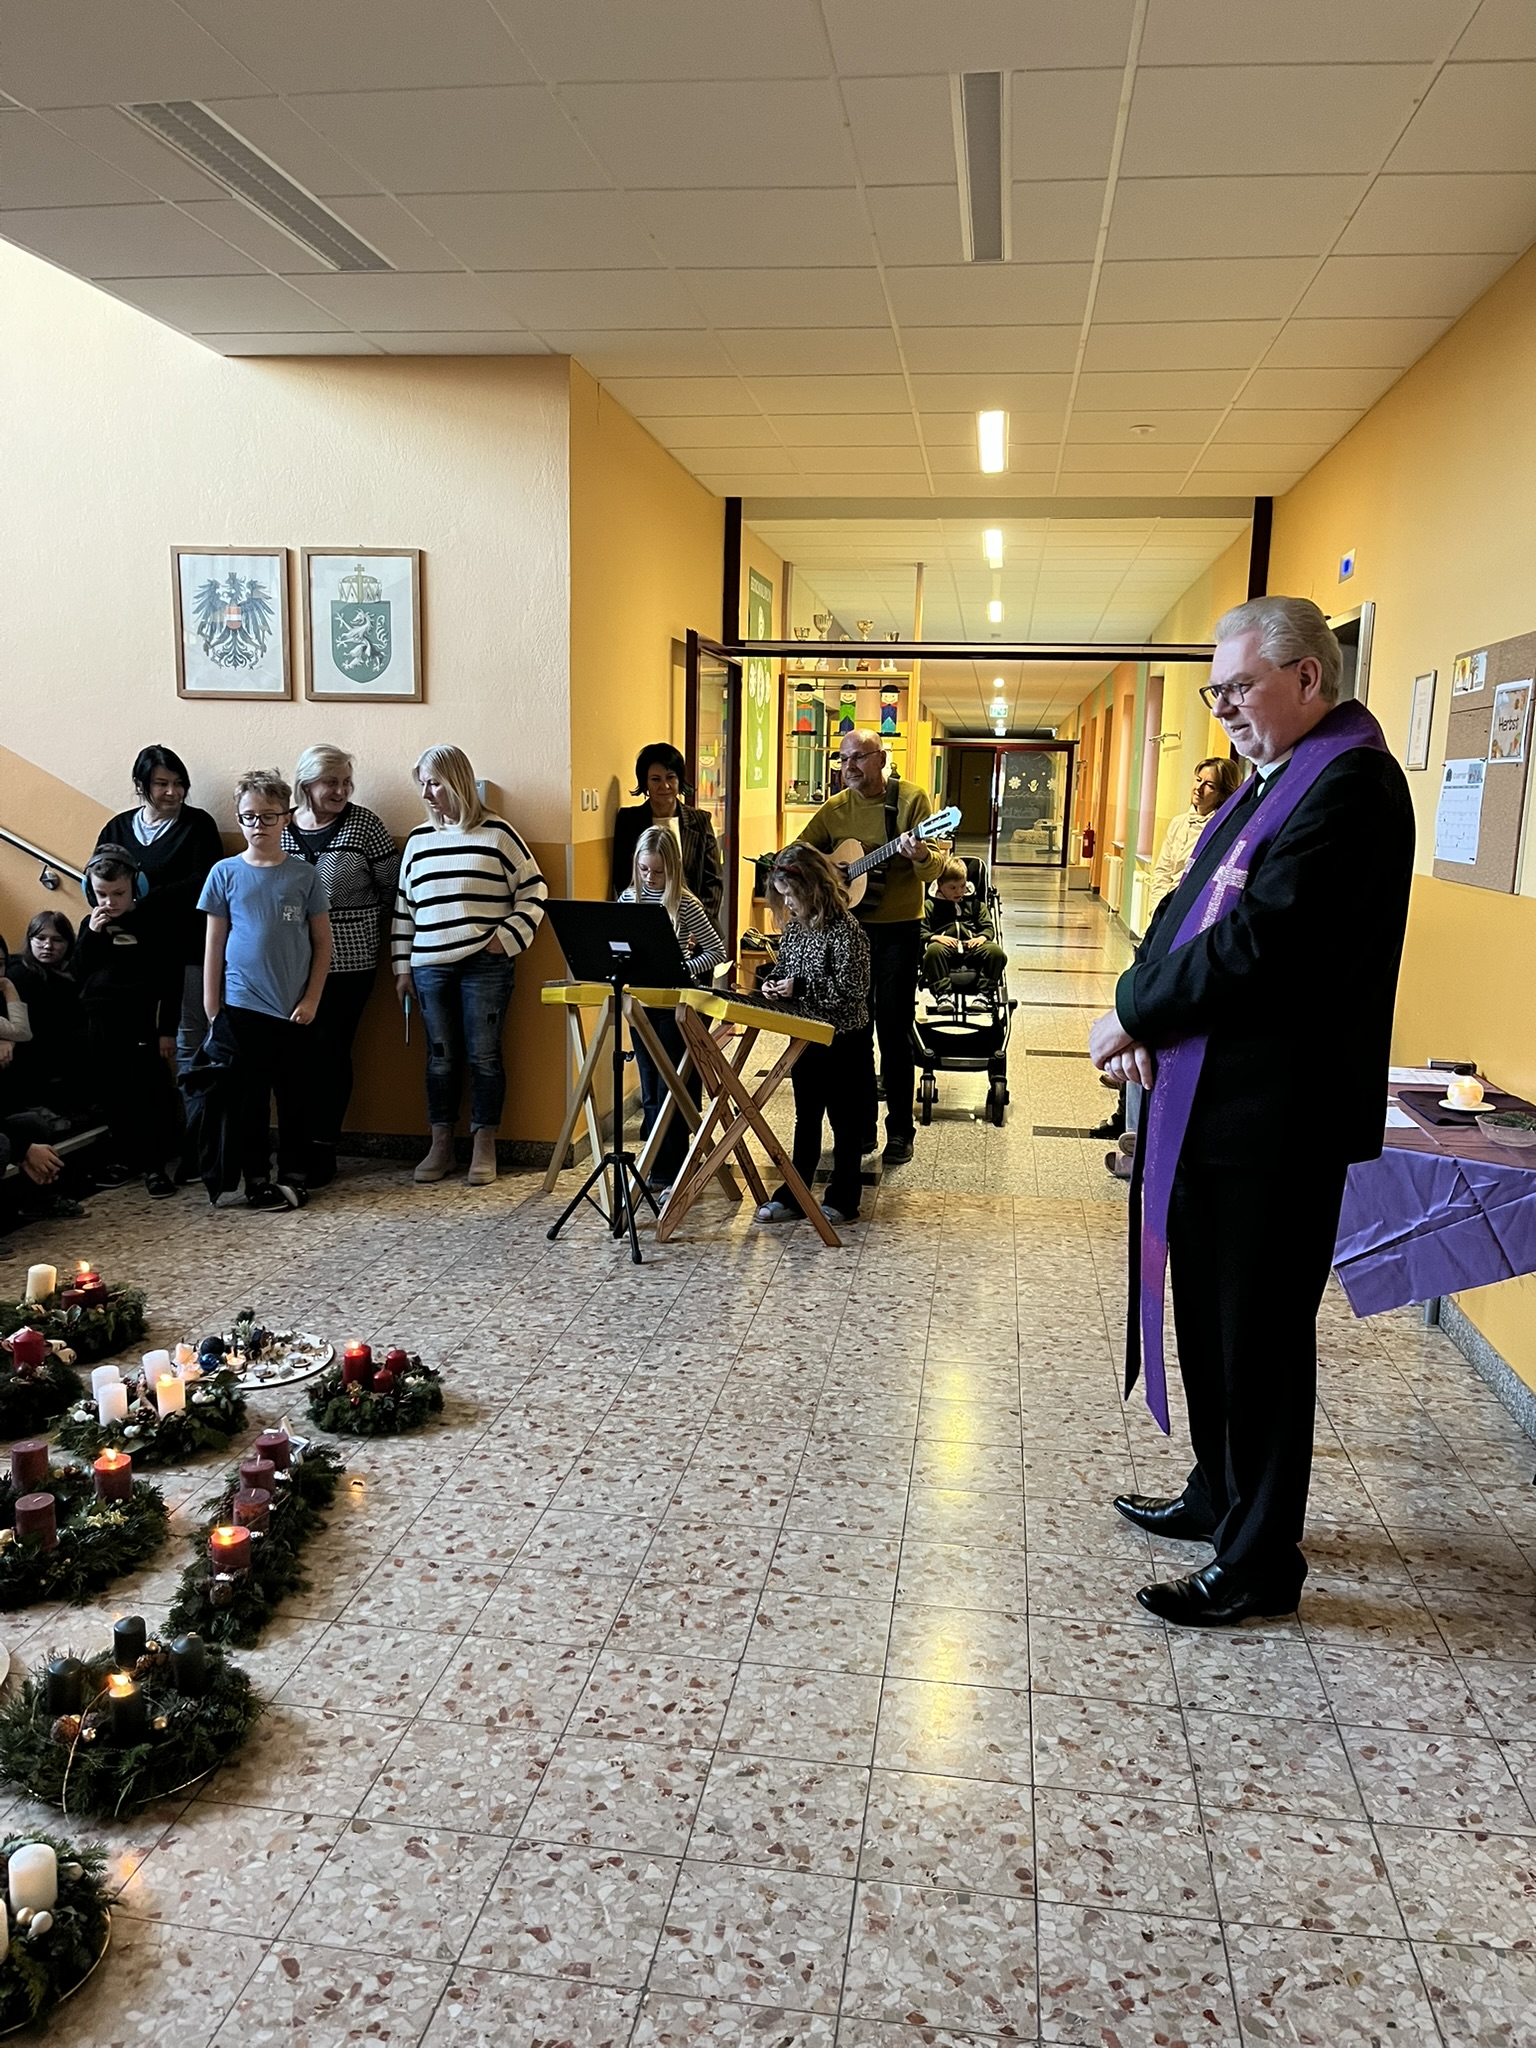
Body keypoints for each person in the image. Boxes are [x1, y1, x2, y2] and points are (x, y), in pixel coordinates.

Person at [1089, 596, 1415, 1628]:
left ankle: (1262, 1558)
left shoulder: (1351, 786)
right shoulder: (1275, 780)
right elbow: (1183, 911)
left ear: (1308, 677)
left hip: (1277, 1125)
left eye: (1240, 686)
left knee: (1260, 1341)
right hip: (1212, 1111)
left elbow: (1262, 946)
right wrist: (1140, 1004)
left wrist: (1131, 1011)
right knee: (1210, 1325)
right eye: (1214, 691)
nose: (1224, 707)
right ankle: (1220, 1492)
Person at [392, 745, 547, 1187]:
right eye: (423, 784)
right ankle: (441, 1144)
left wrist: (506, 939)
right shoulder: (419, 840)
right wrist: (401, 968)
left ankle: (484, 1144)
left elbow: (535, 890)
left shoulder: (498, 833)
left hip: (485, 964)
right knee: (440, 1057)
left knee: (484, 1055)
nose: (427, 793)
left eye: (435, 783)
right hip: (429, 966)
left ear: (458, 782)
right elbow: (404, 909)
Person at [794, 729, 938, 1164]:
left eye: (858, 757)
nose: (849, 767)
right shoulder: (835, 808)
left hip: (898, 930)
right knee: (853, 1033)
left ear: (881, 758)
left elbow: (933, 869)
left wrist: (918, 855)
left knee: (893, 1030)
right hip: (848, 932)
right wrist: (830, 872)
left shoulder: (911, 801)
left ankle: (900, 1131)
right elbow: (797, 853)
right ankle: (861, 1129)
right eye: (843, 759)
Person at [200, 771, 332, 1211]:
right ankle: (255, 1176)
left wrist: (311, 999)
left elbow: (322, 943)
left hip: (293, 1009)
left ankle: (294, 1174)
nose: (259, 825)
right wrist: (212, 1005)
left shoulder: (304, 875)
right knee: (249, 1101)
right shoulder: (224, 873)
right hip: (241, 1008)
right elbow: (214, 943)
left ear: (286, 817)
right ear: (239, 818)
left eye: (269, 816)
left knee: (295, 1096)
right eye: (250, 816)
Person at [282, 745, 399, 1188]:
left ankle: (323, 1148)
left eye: (346, 782)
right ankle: (294, 1149)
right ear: (307, 784)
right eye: (331, 782)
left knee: (329, 1050)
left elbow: (393, 889)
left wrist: (361, 926)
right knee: (294, 1057)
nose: (341, 790)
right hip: (291, 963)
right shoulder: (283, 826)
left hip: (350, 960)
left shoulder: (365, 825)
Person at [755, 843, 874, 1227]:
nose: (788, 904)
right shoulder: (795, 930)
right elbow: (786, 969)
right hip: (804, 1037)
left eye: (792, 895)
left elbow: (853, 990)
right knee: (806, 1119)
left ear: (813, 889)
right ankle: (794, 1194)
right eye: (783, 897)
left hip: (844, 1041)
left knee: (845, 1123)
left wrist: (801, 988)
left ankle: (844, 1198)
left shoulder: (847, 931)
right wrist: (774, 983)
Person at [96, 746, 225, 1079]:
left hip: (186, 949)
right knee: (133, 1034)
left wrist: (142, 900)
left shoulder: (198, 825)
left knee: (188, 1033)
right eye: (162, 783)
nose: (173, 792)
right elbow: (98, 878)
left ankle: (192, 1105)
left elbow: (202, 882)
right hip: (131, 951)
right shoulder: (117, 828)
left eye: (179, 783)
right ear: (141, 785)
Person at [618, 824, 726, 1194]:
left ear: (673, 868)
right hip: (642, 1004)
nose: (651, 877)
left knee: (673, 1086)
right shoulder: (628, 899)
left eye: (659, 871)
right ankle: (656, 1165)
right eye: (644, 869)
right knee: (649, 1086)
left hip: (675, 1006)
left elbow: (717, 951)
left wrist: (681, 969)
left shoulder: (686, 903)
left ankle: (675, 1168)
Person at [75, 846, 183, 1198]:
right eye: (102, 894)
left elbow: (172, 982)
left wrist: (167, 1030)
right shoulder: (90, 926)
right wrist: (92, 934)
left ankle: (154, 1165)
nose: (110, 902)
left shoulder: (154, 925)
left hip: (137, 1020)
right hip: (98, 1020)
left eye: (118, 893)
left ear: (135, 886)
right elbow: (78, 972)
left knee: (145, 1092)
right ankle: (125, 1158)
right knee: (111, 1091)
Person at [611, 743, 724, 925]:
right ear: (645, 783)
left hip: (694, 922)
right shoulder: (628, 820)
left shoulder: (700, 821)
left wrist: (699, 925)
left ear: (679, 780)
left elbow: (713, 881)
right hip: (644, 920)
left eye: (671, 777)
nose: (664, 785)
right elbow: (622, 877)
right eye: (655, 779)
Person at [6, 912, 82, 1111]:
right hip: (28, 1054)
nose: (48, 946)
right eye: (40, 938)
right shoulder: (18, 974)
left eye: (57, 940)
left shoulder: (73, 976)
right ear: (30, 940)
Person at [1147, 757, 1245, 905]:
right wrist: (1157, 908)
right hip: (1166, 905)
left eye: (1209, 785)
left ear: (1223, 794)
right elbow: (1163, 871)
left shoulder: (1223, 830)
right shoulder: (1178, 823)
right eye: (1198, 780)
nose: (1199, 788)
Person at [921, 858, 1007, 995]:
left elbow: (988, 927)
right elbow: (921, 930)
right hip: (944, 947)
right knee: (932, 951)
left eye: (962, 886)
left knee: (996, 952)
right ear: (940, 885)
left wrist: (982, 937)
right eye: (953, 888)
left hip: (972, 946)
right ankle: (943, 994)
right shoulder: (930, 906)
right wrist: (935, 938)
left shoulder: (976, 905)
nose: (959, 891)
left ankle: (984, 994)